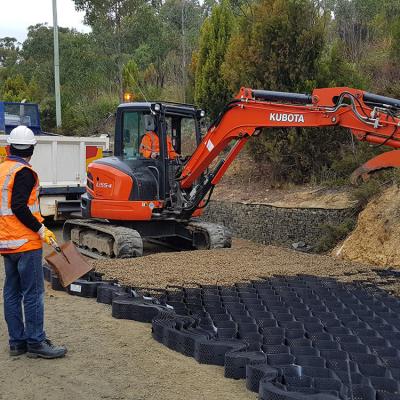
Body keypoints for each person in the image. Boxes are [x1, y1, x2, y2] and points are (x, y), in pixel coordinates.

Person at [0, 125, 67, 359]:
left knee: (11, 292)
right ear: (32, 149)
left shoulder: (3, 169)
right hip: (26, 244)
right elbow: (19, 206)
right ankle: (36, 342)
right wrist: (40, 229)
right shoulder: (24, 172)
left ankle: (17, 342)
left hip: (7, 243)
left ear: (9, 147)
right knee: (33, 293)